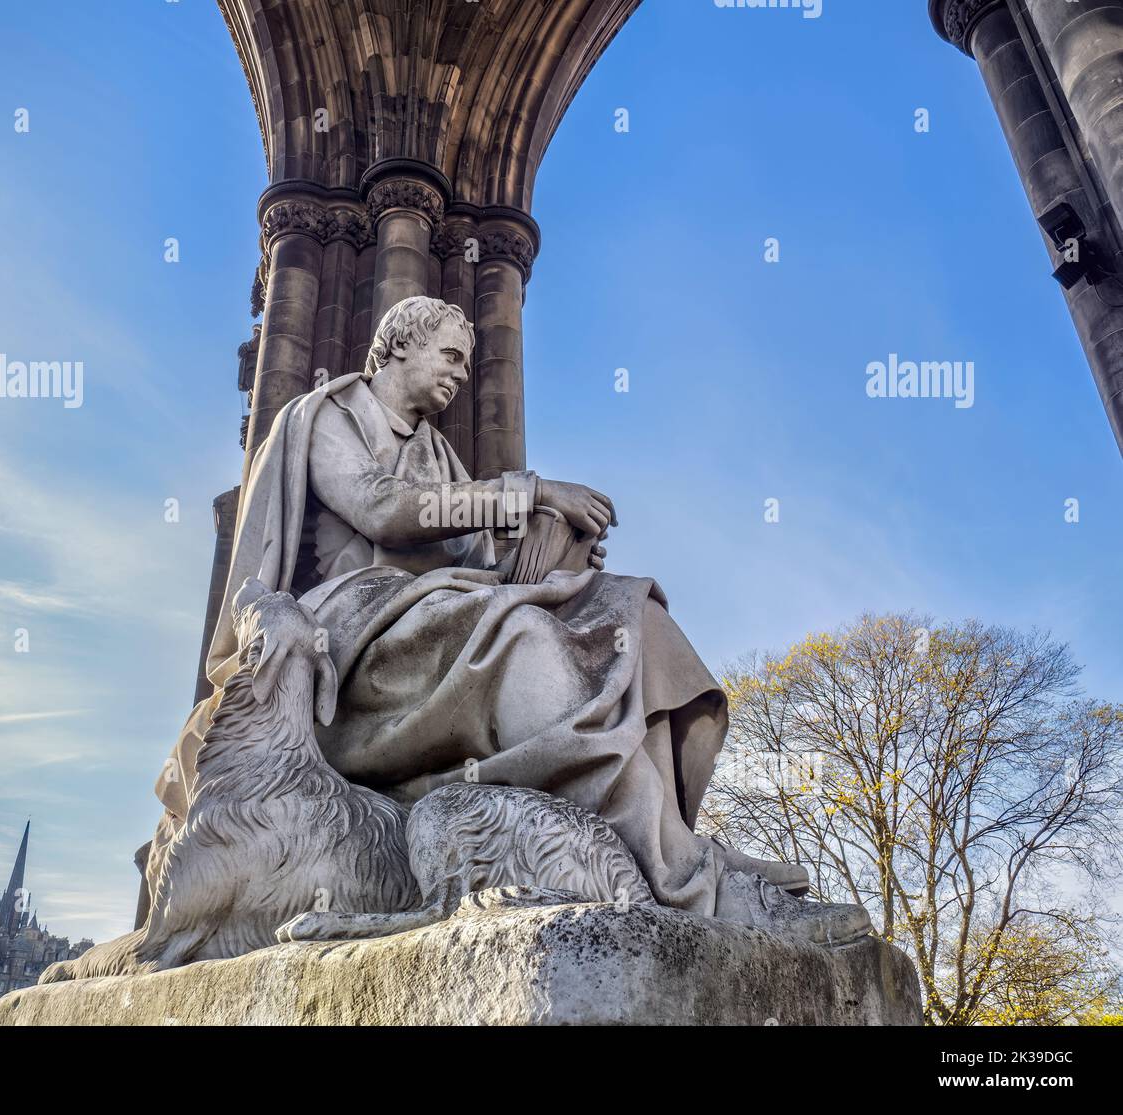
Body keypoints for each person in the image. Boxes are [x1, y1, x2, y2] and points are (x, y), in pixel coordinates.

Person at [151, 296, 869, 945]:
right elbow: (382, 509)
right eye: (452, 356)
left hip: (432, 619)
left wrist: (555, 541)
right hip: (355, 635)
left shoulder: (435, 449)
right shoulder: (324, 416)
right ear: (399, 344)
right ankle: (691, 882)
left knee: (626, 613)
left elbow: (484, 562)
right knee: (521, 636)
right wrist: (527, 492)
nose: (462, 374)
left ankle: (675, 840)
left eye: (469, 361)